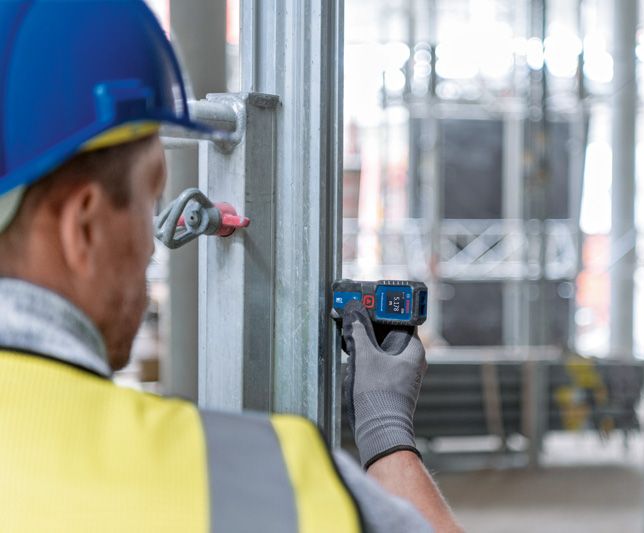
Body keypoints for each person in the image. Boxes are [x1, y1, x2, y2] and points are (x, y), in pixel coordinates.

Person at [0, 1, 462, 532]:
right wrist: (386, 434)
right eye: (151, 197)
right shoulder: (273, 482)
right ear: (83, 227)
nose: (153, 247)